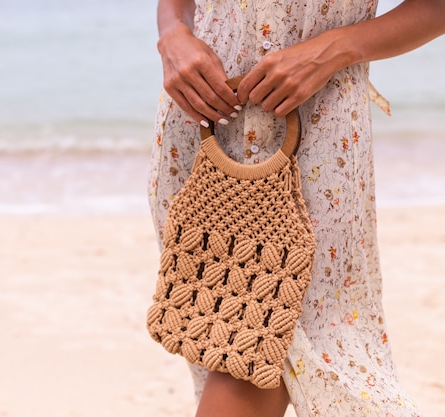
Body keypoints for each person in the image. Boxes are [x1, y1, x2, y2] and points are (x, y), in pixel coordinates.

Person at [146, 0, 445, 416]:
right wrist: (173, 33)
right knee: (216, 350)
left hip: (317, 148)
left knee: (271, 351)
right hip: (200, 133)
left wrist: (337, 47)